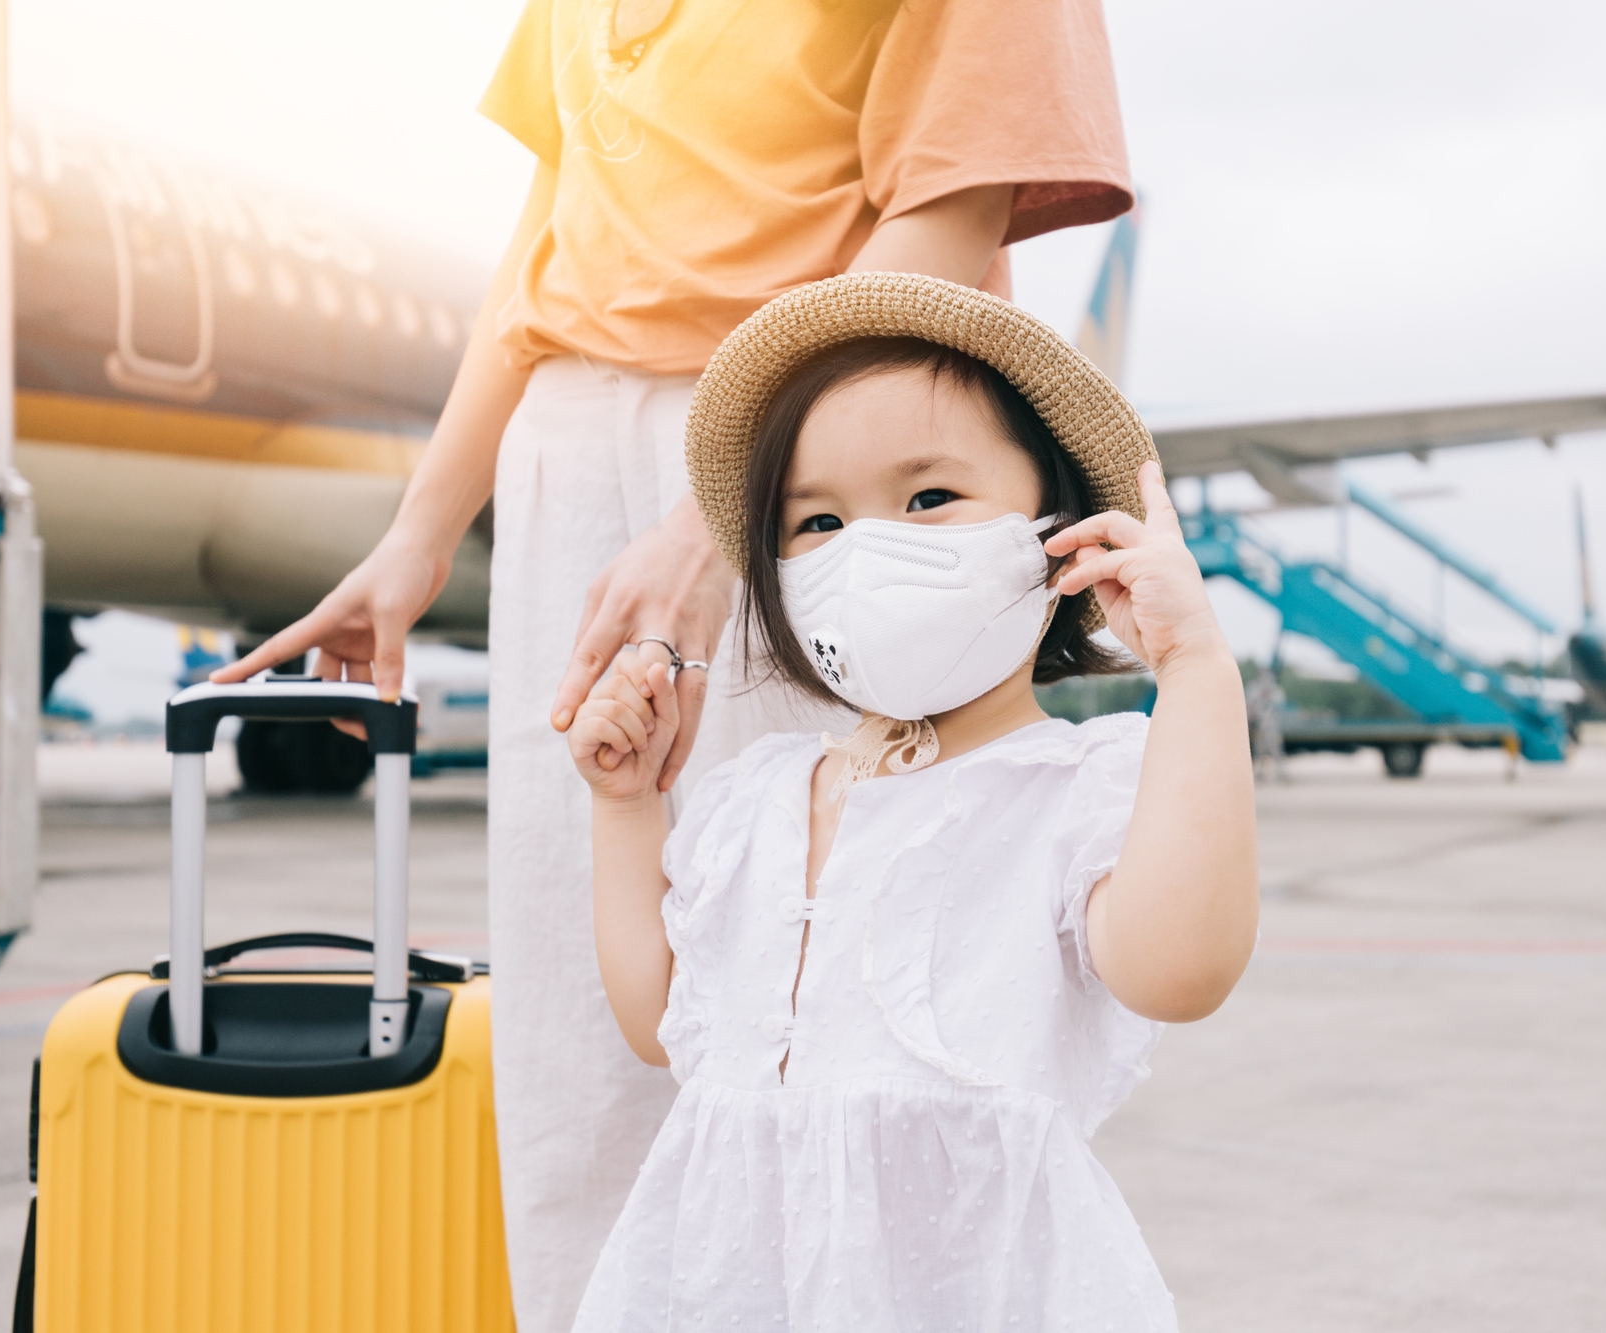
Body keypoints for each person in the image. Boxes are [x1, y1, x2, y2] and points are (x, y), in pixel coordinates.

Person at [219, 4, 1134, 1326]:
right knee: (575, 1015)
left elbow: (949, 204)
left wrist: (725, 512)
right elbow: (545, 237)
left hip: (812, 423)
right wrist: (419, 536)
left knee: (815, 1013)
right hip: (566, 441)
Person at [565, 273, 1259, 1329]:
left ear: (1060, 531)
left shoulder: (1068, 789)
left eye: (928, 497)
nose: (866, 549)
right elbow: (662, 1023)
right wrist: (624, 811)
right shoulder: (757, 794)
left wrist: (1196, 668)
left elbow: (1179, 968)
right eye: (817, 520)